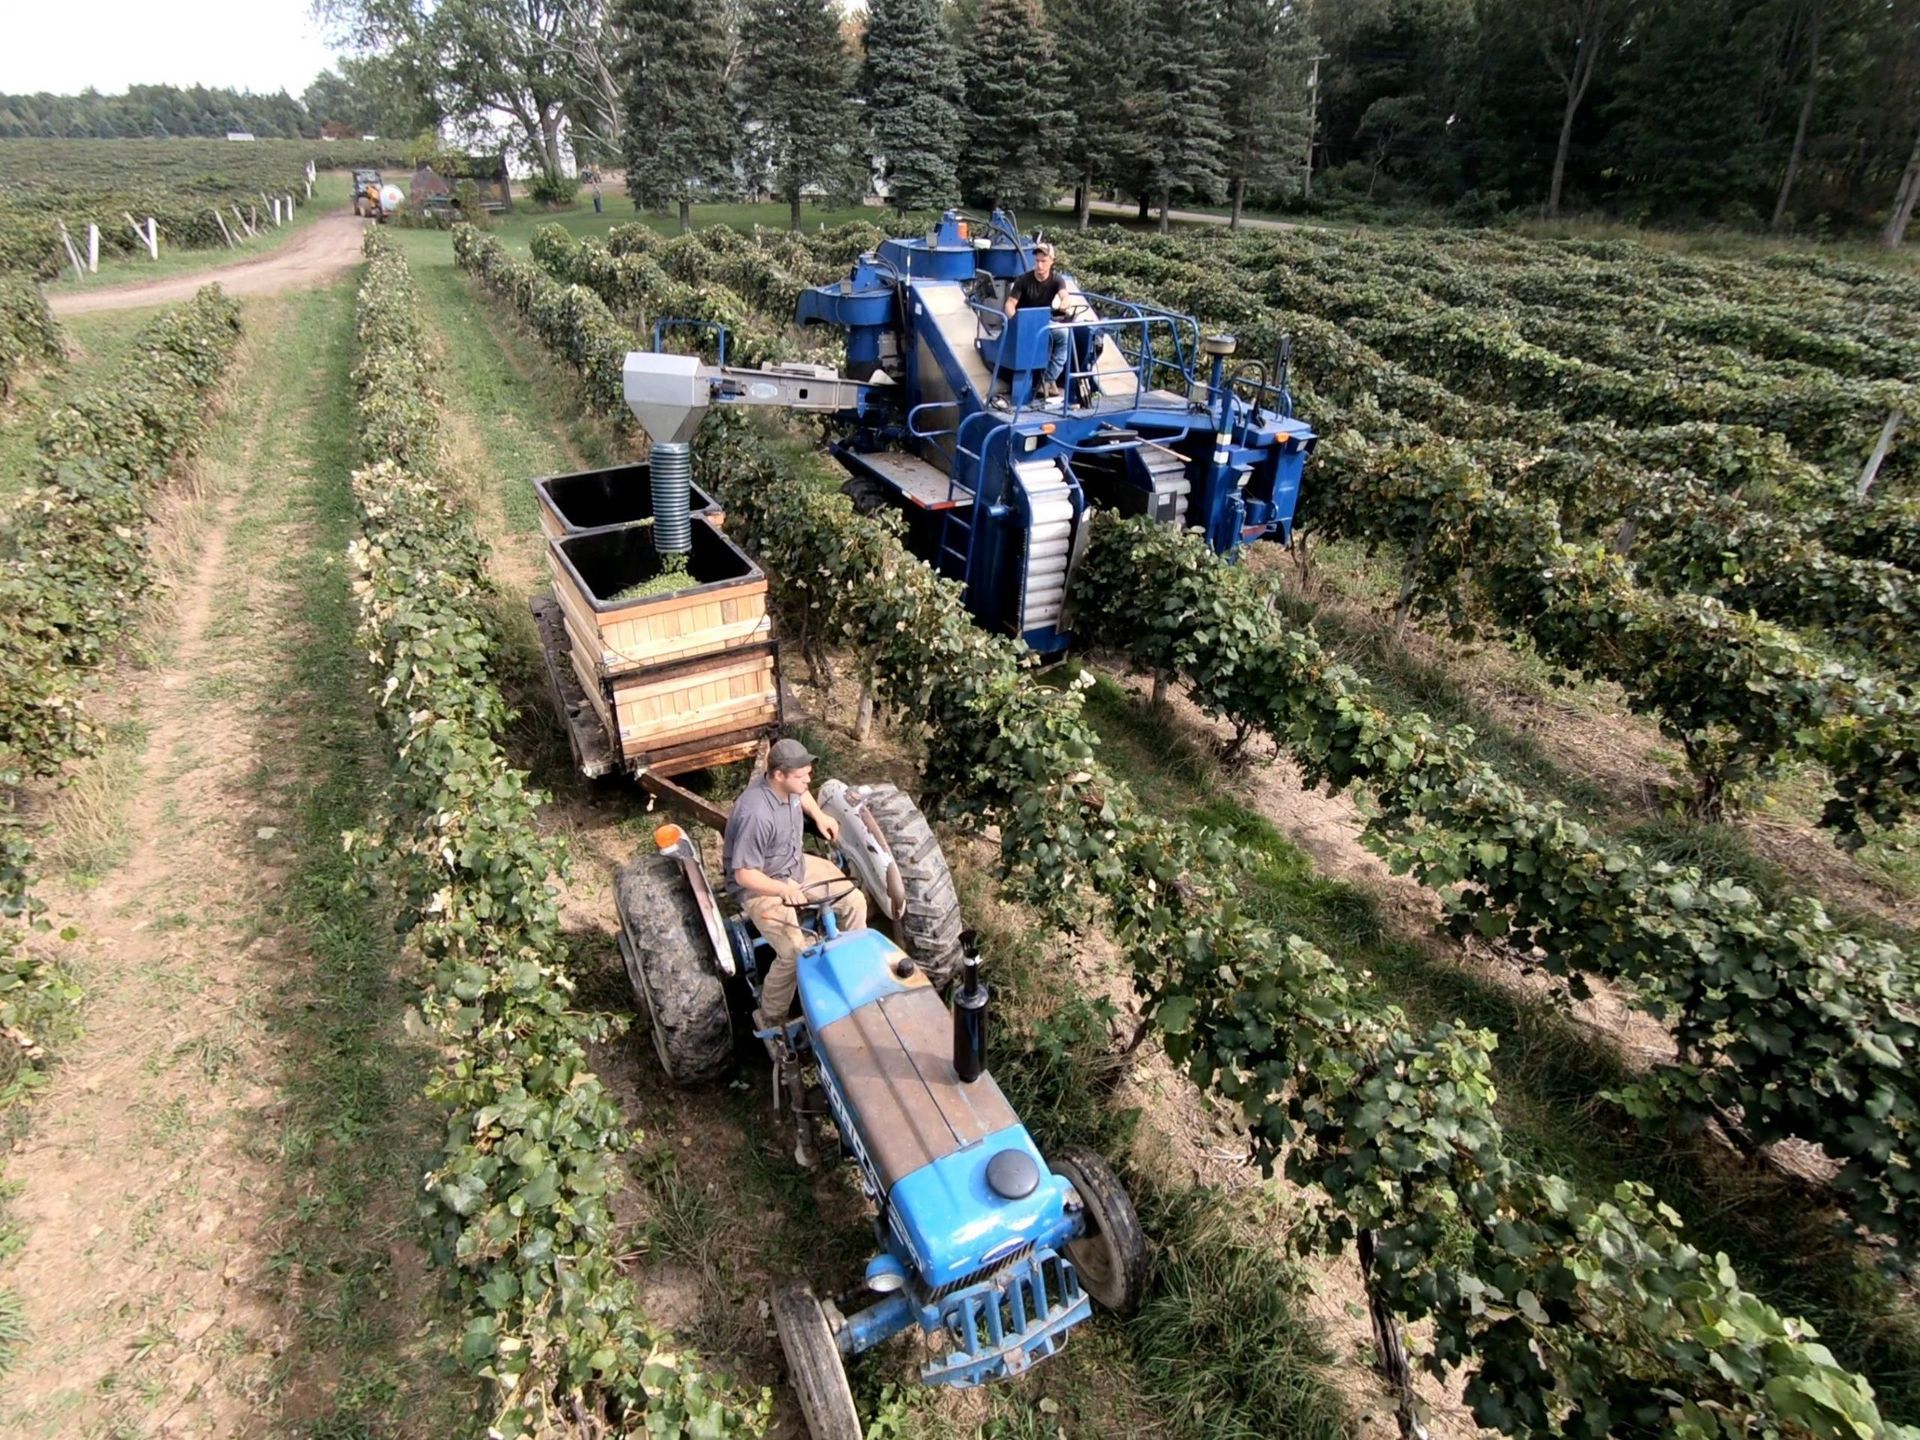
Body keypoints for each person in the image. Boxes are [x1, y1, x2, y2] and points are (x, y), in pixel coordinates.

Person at [723, 737, 868, 1026]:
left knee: (854, 901)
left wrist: (819, 815)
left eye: (808, 775)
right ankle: (771, 1018)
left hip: (795, 866)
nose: (808, 780)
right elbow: (744, 874)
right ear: (778, 775)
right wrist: (783, 889)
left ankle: (856, 972)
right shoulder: (756, 814)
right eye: (802, 776)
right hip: (761, 884)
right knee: (794, 953)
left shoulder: (791, 787)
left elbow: (802, 794)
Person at [1004, 241, 1073, 398]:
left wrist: (1065, 302)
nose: (1040, 266)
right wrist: (1014, 319)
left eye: (1044, 261)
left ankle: (1048, 380)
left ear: (1051, 261)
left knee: (1063, 334)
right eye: (1037, 261)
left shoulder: (1057, 280)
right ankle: (1036, 383)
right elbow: (1010, 304)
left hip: (1044, 323)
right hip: (1024, 323)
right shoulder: (1023, 280)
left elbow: (1064, 295)